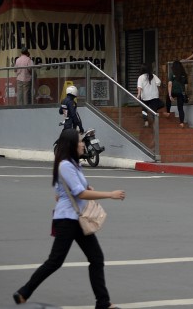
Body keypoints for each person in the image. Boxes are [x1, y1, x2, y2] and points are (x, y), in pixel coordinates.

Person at [13, 128, 126, 309]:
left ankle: (103, 303)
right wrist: (110, 194)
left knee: (96, 258)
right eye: (80, 141)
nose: (83, 144)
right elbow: (80, 193)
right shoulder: (65, 165)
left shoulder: (73, 165)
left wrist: (86, 187)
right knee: (55, 261)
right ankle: (23, 292)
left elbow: (60, 194)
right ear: (72, 145)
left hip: (77, 219)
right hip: (67, 220)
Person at [167, 60, 189, 128]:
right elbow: (186, 86)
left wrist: (170, 95)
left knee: (167, 98)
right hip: (181, 93)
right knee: (180, 108)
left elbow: (170, 84)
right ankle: (181, 123)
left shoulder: (172, 73)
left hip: (173, 91)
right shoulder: (184, 74)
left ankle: (168, 112)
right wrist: (185, 94)